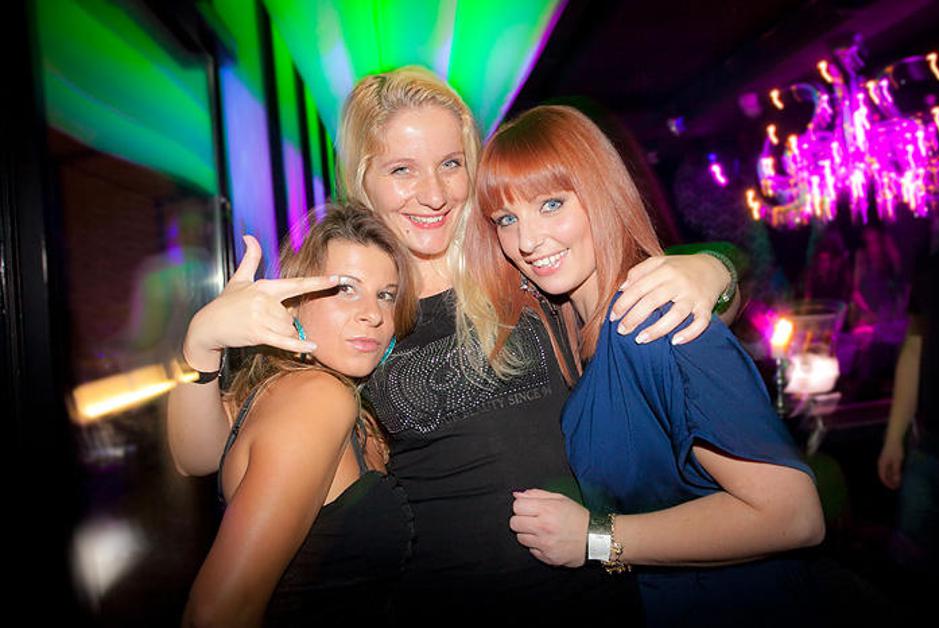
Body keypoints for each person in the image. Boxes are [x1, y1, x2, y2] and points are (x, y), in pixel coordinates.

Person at [168, 67, 738, 622]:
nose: (434, 194)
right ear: (363, 179)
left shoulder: (523, 262)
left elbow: (660, 315)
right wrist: (201, 345)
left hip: (595, 595)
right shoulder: (357, 312)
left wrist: (713, 270)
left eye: (450, 164)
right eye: (402, 170)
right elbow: (202, 456)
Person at [467, 105, 825, 626]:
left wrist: (595, 538)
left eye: (551, 204)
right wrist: (718, 264)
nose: (527, 241)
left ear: (601, 195)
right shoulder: (571, 328)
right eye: (507, 218)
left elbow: (793, 515)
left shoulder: (652, 322)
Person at [182, 204, 418, 627]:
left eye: (386, 294)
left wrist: (200, 347)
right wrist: (202, 337)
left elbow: (194, 457)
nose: (374, 313)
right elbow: (217, 613)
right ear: (292, 304)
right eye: (346, 289)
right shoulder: (318, 397)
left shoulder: (285, 390)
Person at [877, 245, 939, 618]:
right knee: (909, 577)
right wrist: (893, 440)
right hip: (928, 448)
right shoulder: (933, 262)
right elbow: (915, 348)